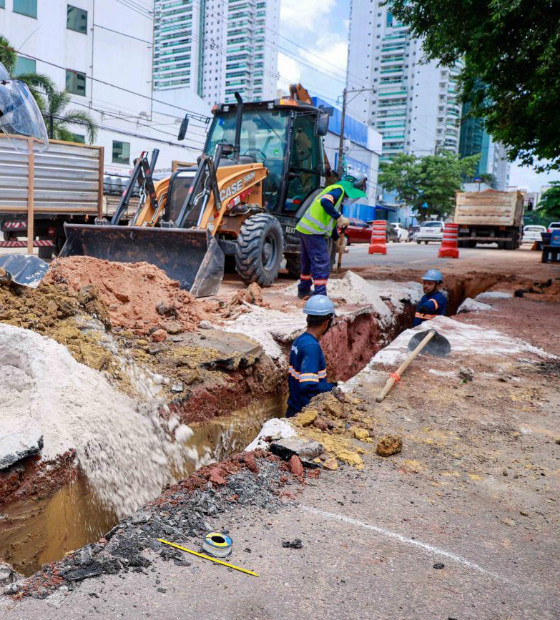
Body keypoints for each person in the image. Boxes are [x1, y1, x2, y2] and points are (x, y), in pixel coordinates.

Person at [295, 172, 367, 298]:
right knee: (322, 262)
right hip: (313, 231)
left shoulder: (336, 193)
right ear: (352, 186)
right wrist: (338, 216)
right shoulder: (337, 190)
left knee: (307, 262)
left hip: (305, 229)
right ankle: (320, 294)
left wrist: (337, 240)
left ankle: (304, 290)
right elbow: (325, 202)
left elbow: (330, 223)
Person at [286, 295, 337, 417]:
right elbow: (307, 384)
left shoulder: (300, 340)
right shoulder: (312, 347)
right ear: (326, 323)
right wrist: (333, 387)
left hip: (294, 408)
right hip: (303, 413)